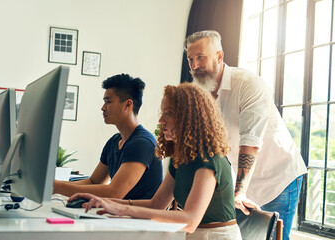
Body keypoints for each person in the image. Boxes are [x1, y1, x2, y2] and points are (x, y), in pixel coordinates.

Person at [69, 83, 242, 240]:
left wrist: (122, 209)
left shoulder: (208, 158)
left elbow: (190, 220)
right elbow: (156, 204)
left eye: (170, 113)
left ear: (190, 119)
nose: (161, 120)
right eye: (163, 113)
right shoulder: (181, 157)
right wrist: (104, 201)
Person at [184, 30, 308, 240]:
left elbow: (249, 142)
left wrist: (238, 192)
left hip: (278, 178)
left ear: (220, 56)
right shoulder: (201, 93)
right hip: (243, 183)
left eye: (201, 57)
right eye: (190, 59)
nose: (194, 66)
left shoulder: (249, 84)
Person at [53, 73, 163, 200]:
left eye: (108, 102)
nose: (103, 108)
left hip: (138, 219)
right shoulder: (114, 141)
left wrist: (58, 187)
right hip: (118, 215)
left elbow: (114, 193)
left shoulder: (142, 143)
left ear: (128, 105)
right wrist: (56, 186)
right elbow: (94, 182)